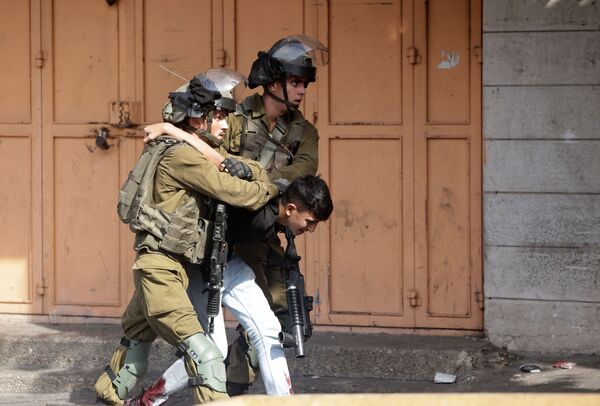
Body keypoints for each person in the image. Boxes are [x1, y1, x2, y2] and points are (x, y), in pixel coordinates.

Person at [146, 35, 329, 395]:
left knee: (278, 319)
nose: (301, 90)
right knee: (203, 343)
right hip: (216, 234)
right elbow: (212, 161)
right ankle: (139, 393)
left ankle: (237, 381)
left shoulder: (303, 131)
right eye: (294, 82)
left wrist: (257, 185)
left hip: (259, 231)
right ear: (273, 84)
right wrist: (246, 185)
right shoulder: (234, 117)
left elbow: (302, 173)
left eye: (304, 84)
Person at [94, 68, 279, 406]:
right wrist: (264, 183)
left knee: (132, 355)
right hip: (161, 274)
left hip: (166, 269)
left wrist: (250, 170)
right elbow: (244, 194)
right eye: (219, 117)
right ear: (197, 120)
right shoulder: (182, 157)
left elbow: (234, 164)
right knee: (207, 358)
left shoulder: (179, 149)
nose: (225, 125)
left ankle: (108, 397)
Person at [123, 175, 333, 405]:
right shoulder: (257, 210)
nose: (311, 229)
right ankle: (148, 400)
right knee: (212, 352)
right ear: (291, 209)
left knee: (269, 331)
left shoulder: (276, 203)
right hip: (203, 271)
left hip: (230, 264)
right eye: (310, 222)